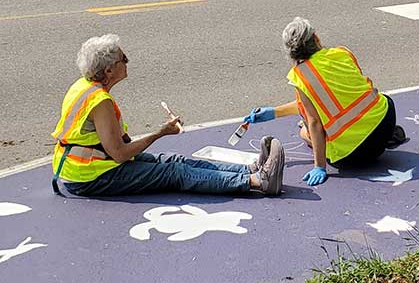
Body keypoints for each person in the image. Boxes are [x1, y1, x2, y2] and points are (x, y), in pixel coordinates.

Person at [51, 34, 285, 197]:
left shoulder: (84, 86)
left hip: (90, 166)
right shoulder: (99, 101)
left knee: (174, 160)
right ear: (109, 70)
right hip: (90, 177)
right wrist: (161, 133)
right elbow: (120, 154)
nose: (127, 62)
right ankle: (256, 182)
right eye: (124, 59)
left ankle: (250, 169)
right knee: (174, 172)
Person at [242, 17, 400, 188]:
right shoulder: (342, 52)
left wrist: (319, 167)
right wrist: (274, 112)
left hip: (354, 153)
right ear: (316, 38)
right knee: (380, 99)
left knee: (304, 130)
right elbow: (348, 96)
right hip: (385, 123)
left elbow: (315, 122)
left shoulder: (301, 75)